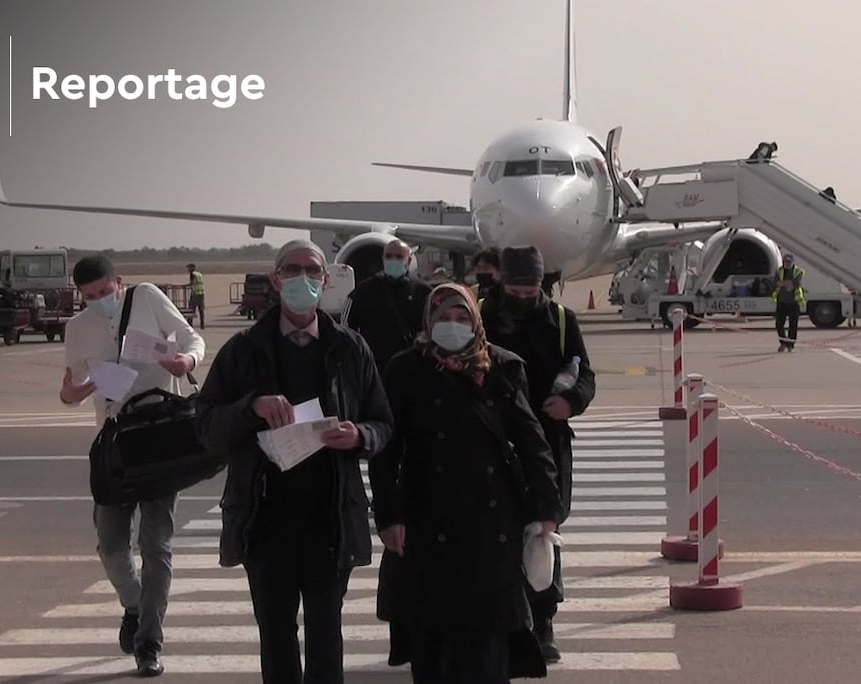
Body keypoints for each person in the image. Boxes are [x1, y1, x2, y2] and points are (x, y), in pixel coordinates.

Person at [193, 239, 394, 684]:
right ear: (275, 278)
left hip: (331, 518)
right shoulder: (243, 349)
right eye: (292, 270)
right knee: (277, 636)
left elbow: (383, 422)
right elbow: (205, 427)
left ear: (326, 281)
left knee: (327, 636)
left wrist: (359, 435)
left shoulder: (350, 348)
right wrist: (251, 408)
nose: (302, 279)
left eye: (312, 270)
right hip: (265, 520)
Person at [371, 283, 563, 683]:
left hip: (492, 524)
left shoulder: (501, 367)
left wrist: (547, 510)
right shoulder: (405, 369)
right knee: (433, 646)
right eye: (443, 318)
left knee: (487, 650)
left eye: (461, 318)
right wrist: (389, 516)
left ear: (476, 321)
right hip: (426, 521)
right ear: (428, 321)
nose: (452, 325)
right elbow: (387, 450)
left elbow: (531, 440)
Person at [59, 255, 206, 677]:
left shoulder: (147, 298)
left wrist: (186, 363)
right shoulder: (78, 328)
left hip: (160, 438)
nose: (99, 301)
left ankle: (149, 642)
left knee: (157, 546)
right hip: (114, 444)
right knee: (110, 544)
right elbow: (68, 391)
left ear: (118, 283)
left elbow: (193, 339)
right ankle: (134, 606)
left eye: (105, 293)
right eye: (90, 297)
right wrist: (77, 388)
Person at [478, 246, 595, 663]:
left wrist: (571, 403)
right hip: (494, 440)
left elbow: (585, 374)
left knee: (544, 531)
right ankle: (506, 622)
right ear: (501, 282)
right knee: (498, 533)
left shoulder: (562, 320)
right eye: (514, 289)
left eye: (530, 290)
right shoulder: (480, 315)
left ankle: (543, 621)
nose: (523, 297)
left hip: (546, 441)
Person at [341, 238, 432, 373]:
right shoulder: (364, 291)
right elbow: (346, 327)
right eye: (389, 256)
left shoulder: (423, 292)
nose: (393, 260)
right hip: (374, 365)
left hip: (413, 366)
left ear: (408, 260)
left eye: (399, 257)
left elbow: (432, 326)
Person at [772, 253, 805, 352]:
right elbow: (775, 283)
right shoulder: (779, 271)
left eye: (789, 262)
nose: (787, 264)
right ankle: (783, 343)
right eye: (785, 262)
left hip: (794, 302)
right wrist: (786, 283)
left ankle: (791, 345)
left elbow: (795, 283)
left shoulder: (798, 271)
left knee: (793, 325)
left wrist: (783, 283)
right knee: (779, 324)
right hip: (781, 302)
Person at [186, 263, 206, 329]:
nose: (188, 269)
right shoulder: (199, 274)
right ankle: (202, 324)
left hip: (195, 294)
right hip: (201, 293)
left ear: (192, 268)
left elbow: (192, 283)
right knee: (201, 310)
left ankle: (189, 324)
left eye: (189, 268)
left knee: (191, 309)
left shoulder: (192, 274)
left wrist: (186, 285)